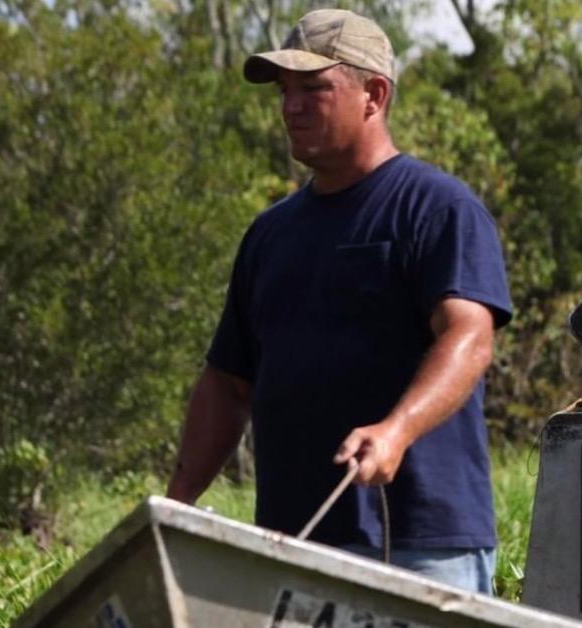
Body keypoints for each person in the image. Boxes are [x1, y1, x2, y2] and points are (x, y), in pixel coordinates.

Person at [165, 9, 511, 594]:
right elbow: (228, 385)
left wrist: (396, 431)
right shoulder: (270, 234)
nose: (290, 107)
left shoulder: (436, 208)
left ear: (374, 94)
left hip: (421, 546)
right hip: (293, 545)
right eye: (284, 91)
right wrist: (174, 506)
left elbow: (469, 337)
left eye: (314, 88)